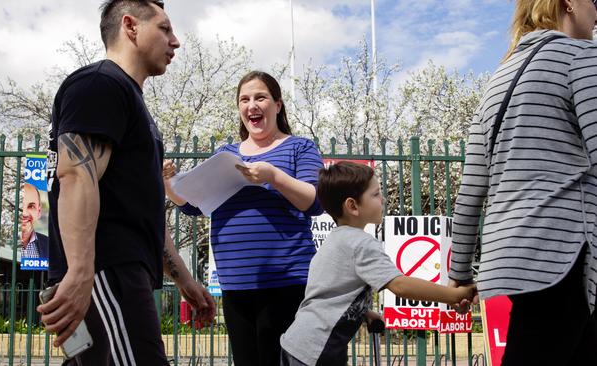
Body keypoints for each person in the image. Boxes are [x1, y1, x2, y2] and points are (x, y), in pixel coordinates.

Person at [38, 1, 215, 365]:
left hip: (118, 274)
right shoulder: (100, 84)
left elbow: (142, 210)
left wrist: (184, 280)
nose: (176, 41)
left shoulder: (131, 101)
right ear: (131, 27)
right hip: (104, 274)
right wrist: (81, 274)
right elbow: (75, 176)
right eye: (165, 29)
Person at [449, 1, 597, 364]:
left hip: (511, 256)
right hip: (564, 252)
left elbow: (470, 193)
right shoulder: (582, 57)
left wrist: (460, 274)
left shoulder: (496, 81)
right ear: (569, 4)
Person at [164, 71, 324, 366]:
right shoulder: (225, 154)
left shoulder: (300, 147)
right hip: (236, 284)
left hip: (288, 281)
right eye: (245, 99)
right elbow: (196, 206)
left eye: (260, 97)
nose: (252, 105)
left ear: (278, 105)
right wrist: (170, 185)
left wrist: (273, 176)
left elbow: (314, 202)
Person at [279, 162, 475, 366]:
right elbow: (400, 285)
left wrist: (364, 313)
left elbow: (328, 294)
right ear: (352, 206)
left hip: (298, 342)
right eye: (375, 194)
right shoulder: (361, 243)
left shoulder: (336, 241)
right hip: (318, 349)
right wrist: (455, 294)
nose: (382, 199)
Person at [21, 183, 49, 259]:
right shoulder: (1, 243)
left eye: (31, 206)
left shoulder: (49, 244)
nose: (24, 213)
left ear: (39, 212)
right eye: (20, 205)